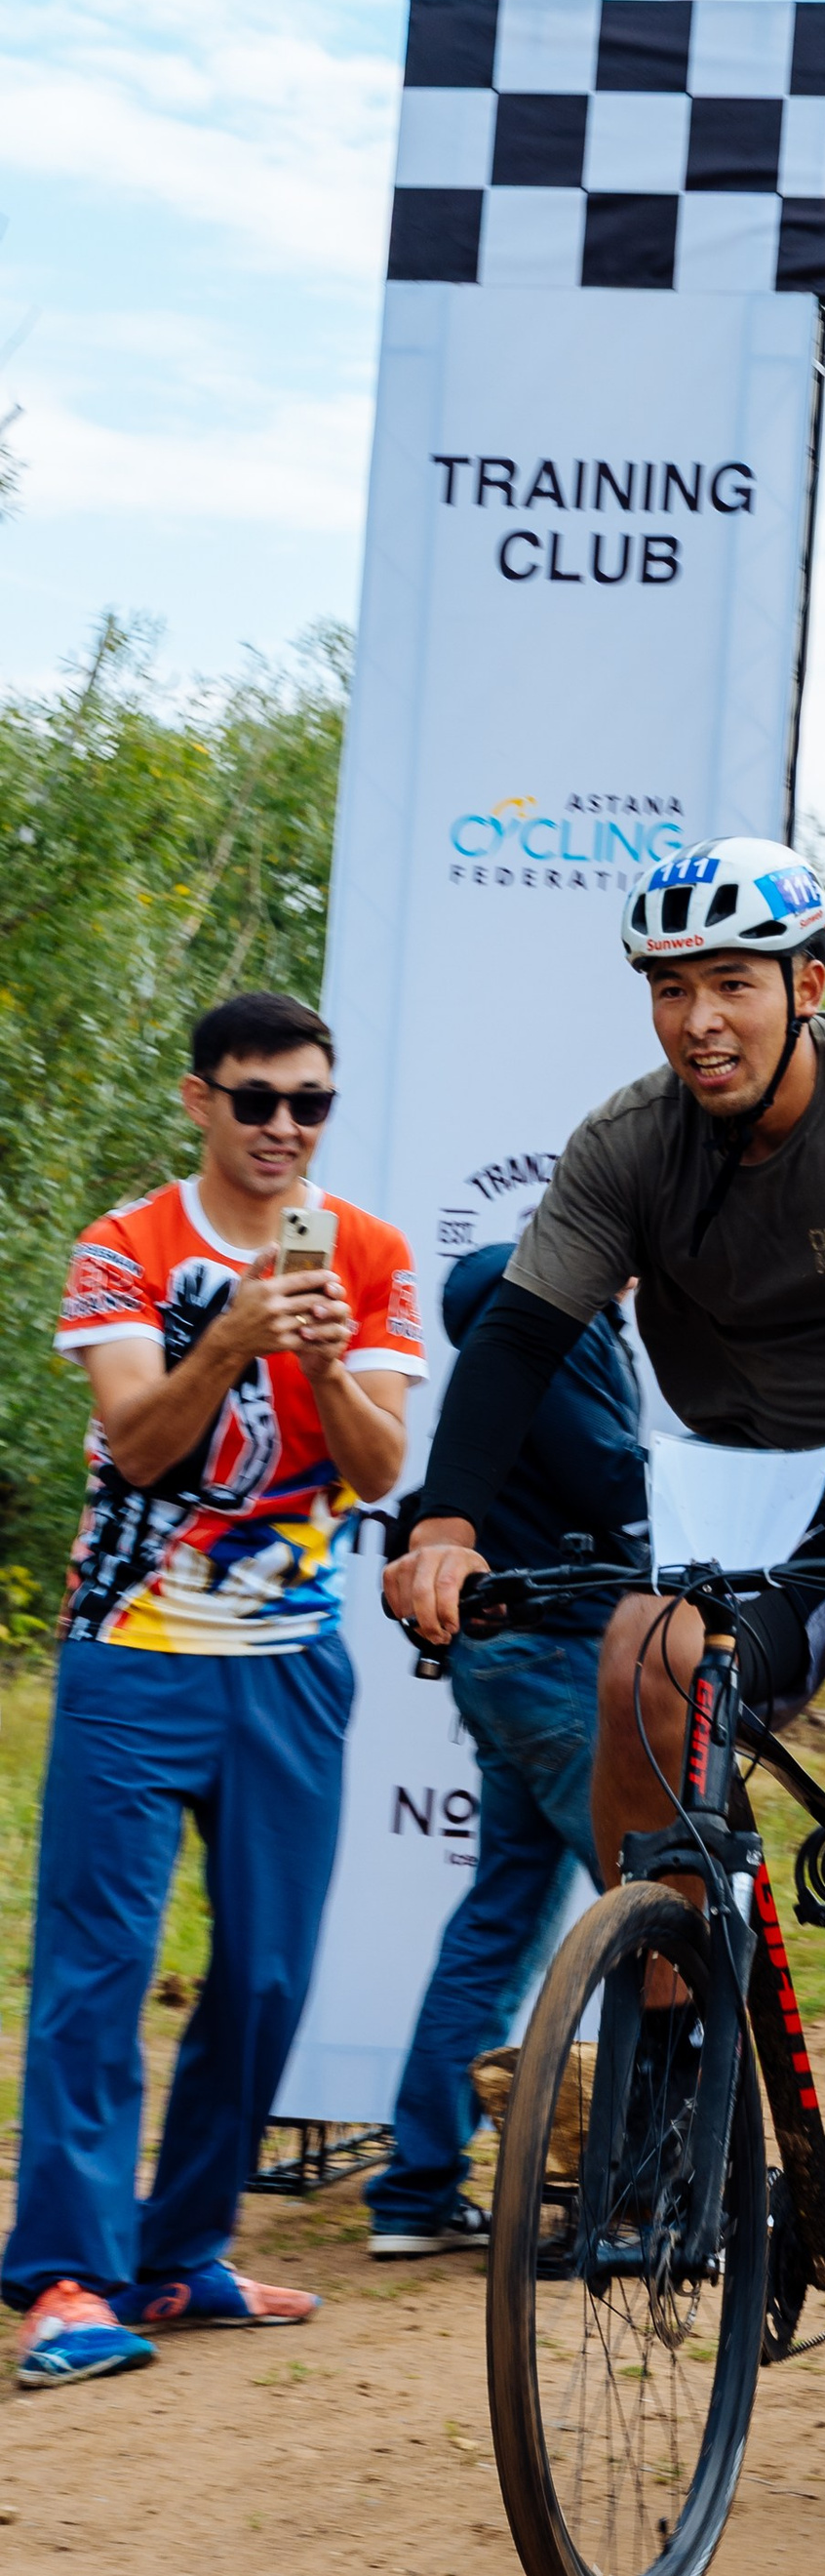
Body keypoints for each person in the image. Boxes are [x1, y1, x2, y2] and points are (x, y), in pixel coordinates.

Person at [387, 836, 825, 2365]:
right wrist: (443, 1523)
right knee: (643, 1648)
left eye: (732, 986)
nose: (700, 1018)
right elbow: (516, 1337)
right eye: (671, 988)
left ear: (805, 988)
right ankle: (678, 2054)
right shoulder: (629, 1145)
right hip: (764, 1510)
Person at [9, 991, 421, 2389]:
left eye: (312, 1102)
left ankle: (179, 2258)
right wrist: (235, 1335)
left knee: (266, 1974)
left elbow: (378, 1472)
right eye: (258, 1101)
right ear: (200, 1101)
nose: (286, 1128)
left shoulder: (367, 1253)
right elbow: (135, 1443)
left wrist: (317, 1355)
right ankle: (67, 2276)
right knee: (97, 1970)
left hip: (291, 1667)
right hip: (135, 1652)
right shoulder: (126, 1246)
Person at [365, 1240, 651, 2255]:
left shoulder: (507, 1319)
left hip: (500, 1654)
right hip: (561, 1654)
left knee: (498, 1921)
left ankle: (416, 2193)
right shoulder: (558, 1320)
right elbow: (609, 1471)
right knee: (656, 1914)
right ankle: (634, 2190)